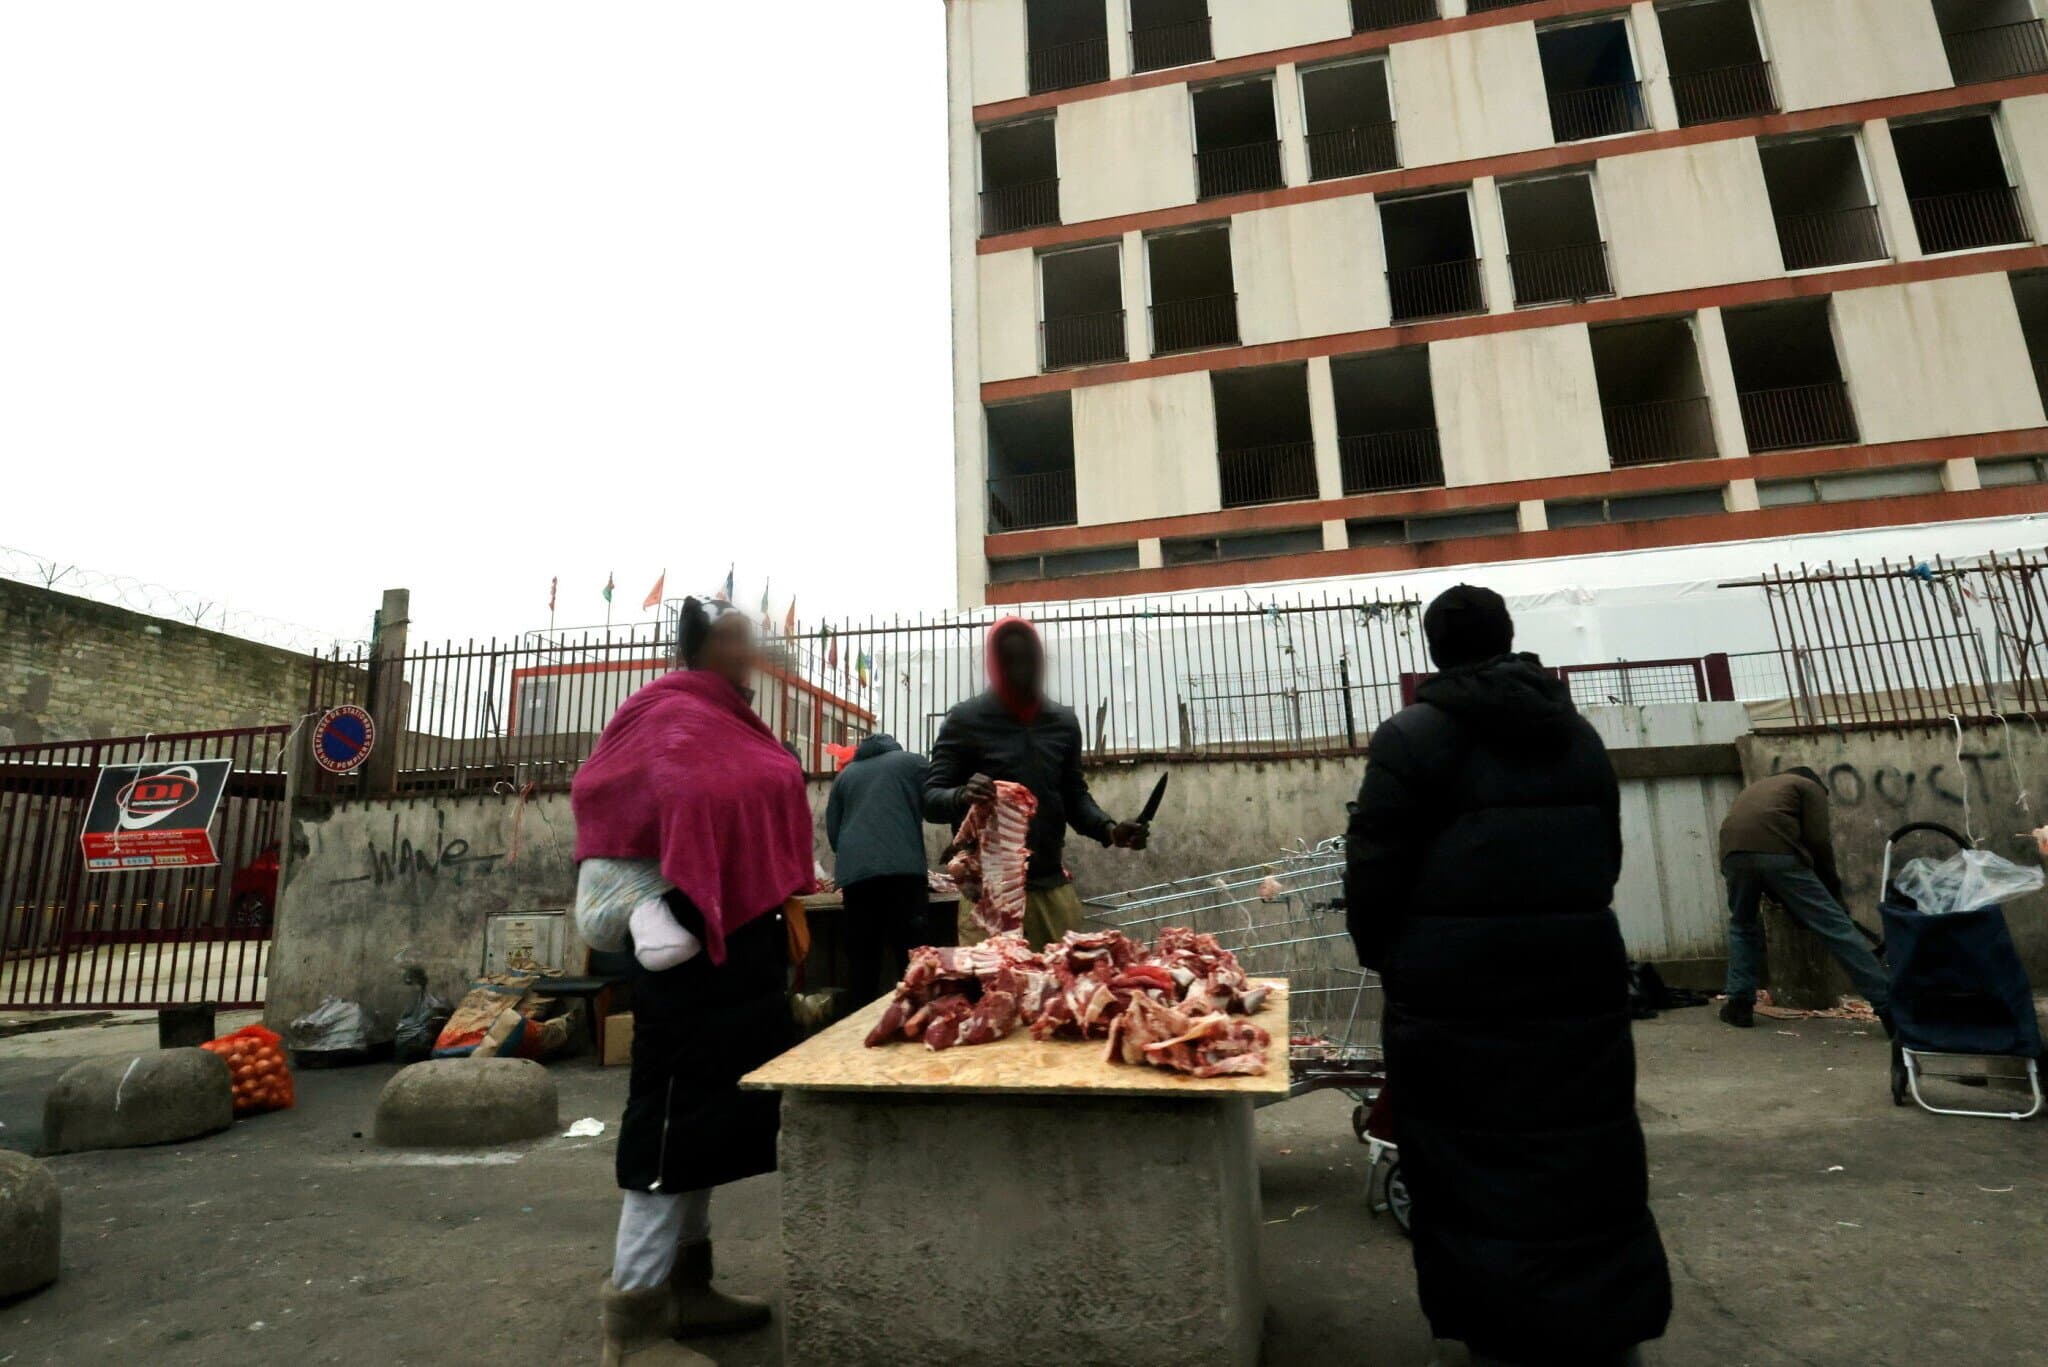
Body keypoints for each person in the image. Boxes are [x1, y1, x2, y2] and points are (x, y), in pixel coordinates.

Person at [1344, 585, 1670, 1367]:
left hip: (1455, 996)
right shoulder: (1578, 736)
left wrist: (1397, 959)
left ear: (1432, 652)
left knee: (1473, 1161)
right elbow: (1606, 858)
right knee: (1581, 1148)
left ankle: (1501, 1327)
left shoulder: (1410, 738)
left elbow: (1374, 877)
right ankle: (1603, 1318)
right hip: (1575, 980)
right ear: (1509, 637)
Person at [571, 597, 815, 1367]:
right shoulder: (666, 711)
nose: (752, 649)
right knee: (668, 1134)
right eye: (736, 637)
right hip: (681, 958)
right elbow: (613, 793)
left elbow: (764, 794)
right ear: (702, 643)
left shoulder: (738, 718)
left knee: (711, 1129)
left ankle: (689, 1287)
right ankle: (633, 1323)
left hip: (741, 954)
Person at [923, 616, 1148, 950]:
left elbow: (1074, 795)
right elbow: (930, 799)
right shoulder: (965, 720)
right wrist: (961, 795)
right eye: (1009, 660)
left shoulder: (1062, 722)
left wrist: (1109, 829)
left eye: (1028, 659)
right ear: (993, 664)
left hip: (1051, 887)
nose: (1020, 670)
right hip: (989, 898)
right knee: (994, 996)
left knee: (1066, 991)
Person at [1718, 766, 1891, 1029]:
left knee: (1743, 927)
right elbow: (1818, 842)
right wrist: (1833, 890)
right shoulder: (1810, 788)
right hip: (1777, 854)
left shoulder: (1759, 788)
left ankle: (1739, 1004)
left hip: (1733, 855)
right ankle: (1889, 1006)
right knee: (1836, 929)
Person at [826, 733, 939, 997]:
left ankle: (862, 1026)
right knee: (913, 958)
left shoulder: (845, 776)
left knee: (863, 960)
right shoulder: (912, 763)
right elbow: (937, 801)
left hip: (856, 878)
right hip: (904, 873)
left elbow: (834, 833)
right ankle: (915, 1019)